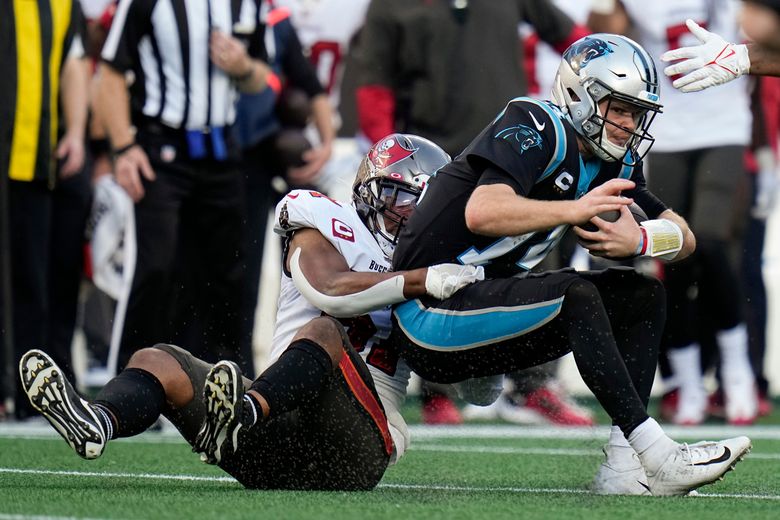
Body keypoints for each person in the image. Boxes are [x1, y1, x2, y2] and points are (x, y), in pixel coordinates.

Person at [390, 34, 751, 496]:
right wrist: (575, 210)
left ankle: (626, 466)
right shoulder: (534, 123)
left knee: (641, 294)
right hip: (429, 314)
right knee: (575, 293)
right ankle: (658, 454)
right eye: (618, 108)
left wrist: (641, 238)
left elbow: (684, 237)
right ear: (581, 94)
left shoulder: (613, 161)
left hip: (486, 319)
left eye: (637, 113)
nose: (627, 124)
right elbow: (483, 210)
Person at [17, 134, 484, 489]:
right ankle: (96, 421)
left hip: (357, 445)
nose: (410, 213)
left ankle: (241, 414)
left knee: (323, 335)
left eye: (423, 203)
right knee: (157, 359)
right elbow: (330, 291)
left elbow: (480, 388)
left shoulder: (442, 262)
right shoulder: (324, 220)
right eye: (401, 196)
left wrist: (484, 347)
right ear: (368, 192)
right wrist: (422, 282)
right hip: (269, 432)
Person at [355, 0, 592, 424]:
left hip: (521, 149)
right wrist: (390, 152)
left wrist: (609, 85)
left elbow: (580, 46)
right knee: (440, 267)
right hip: (436, 155)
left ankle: (533, 385)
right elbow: (373, 81)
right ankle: (436, 390)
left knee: (538, 257)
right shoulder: (389, 6)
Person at [589, 0, 758, 426]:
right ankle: (686, 381)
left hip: (723, 125)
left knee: (712, 239)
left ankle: (737, 370)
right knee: (675, 250)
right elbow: (603, 35)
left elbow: (763, 27)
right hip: (665, 133)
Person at [95, 0, 274, 371]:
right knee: (156, 267)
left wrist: (242, 67)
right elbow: (110, 73)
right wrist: (124, 147)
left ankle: (223, 385)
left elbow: (261, 76)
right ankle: (132, 385)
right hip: (162, 148)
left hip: (222, 150)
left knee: (228, 276)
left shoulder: (248, 3)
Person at [1, 0, 89, 420]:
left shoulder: (60, 4)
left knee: (38, 278)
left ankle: (36, 392)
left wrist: (74, 130)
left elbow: (73, 61)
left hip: (37, 159)